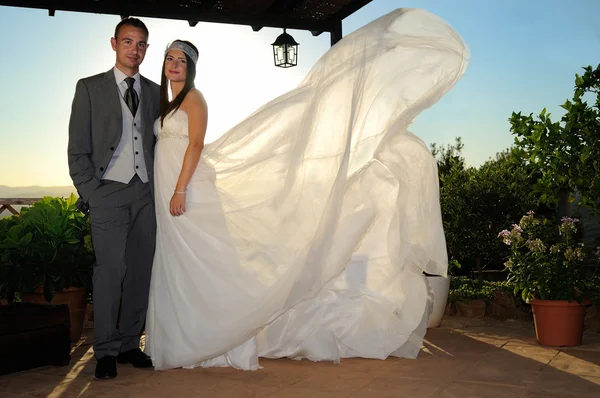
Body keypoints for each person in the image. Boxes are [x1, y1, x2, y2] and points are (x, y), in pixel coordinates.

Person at [146, 8, 470, 371]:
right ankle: (184, 336)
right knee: (181, 263)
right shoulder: (165, 103)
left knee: (201, 262)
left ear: (191, 68)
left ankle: (216, 338)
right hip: (170, 193)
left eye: (181, 60)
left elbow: (194, 146)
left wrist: (179, 190)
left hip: (185, 190)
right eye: (169, 59)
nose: (174, 65)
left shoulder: (194, 98)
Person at [67, 17, 161, 379]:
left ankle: (127, 345)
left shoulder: (154, 91)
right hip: (107, 191)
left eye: (140, 44)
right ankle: (104, 350)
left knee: (140, 271)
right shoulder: (89, 87)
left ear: (146, 49)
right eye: (127, 42)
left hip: (145, 193)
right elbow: (77, 148)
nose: (134, 49)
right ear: (114, 43)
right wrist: (92, 192)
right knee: (110, 271)